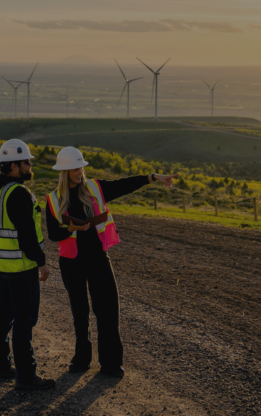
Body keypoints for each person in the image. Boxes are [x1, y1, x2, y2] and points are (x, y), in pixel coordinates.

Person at [45, 146, 175, 378]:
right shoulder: (53, 199)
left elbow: (123, 185)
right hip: (71, 262)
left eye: (81, 167)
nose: (79, 172)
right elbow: (53, 234)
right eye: (75, 169)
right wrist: (71, 228)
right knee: (80, 311)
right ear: (64, 172)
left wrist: (153, 177)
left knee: (107, 310)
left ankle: (111, 363)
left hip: (97, 259)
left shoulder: (94, 187)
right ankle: (82, 359)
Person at [0, 139, 55, 391]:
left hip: (2, 266)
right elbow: (26, 234)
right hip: (21, 267)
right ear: (14, 166)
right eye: (27, 162)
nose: (30, 166)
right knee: (23, 322)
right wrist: (42, 263)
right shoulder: (18, 193)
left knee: (3, 316)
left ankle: (1, 367)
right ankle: (26, 377)